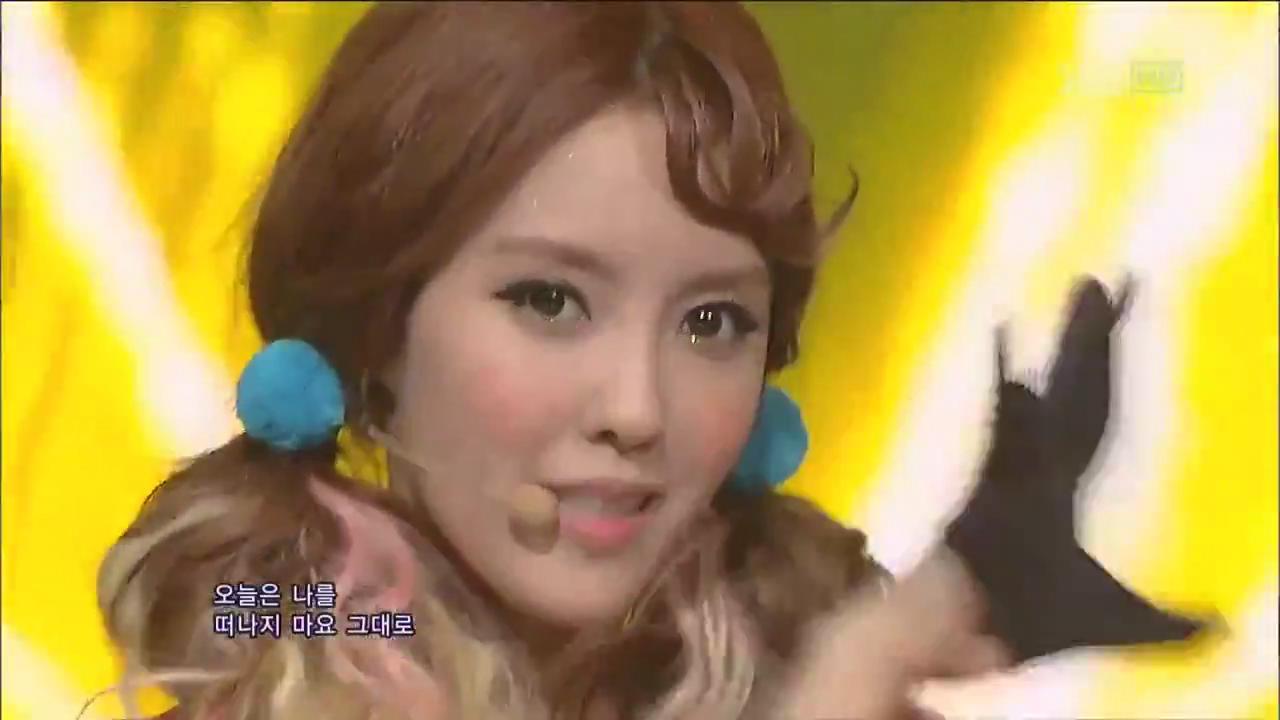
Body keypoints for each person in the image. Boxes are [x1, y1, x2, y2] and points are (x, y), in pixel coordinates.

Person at [94, 4, 1206, 719]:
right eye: (548, 300)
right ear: (374, 329)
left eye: (711, 322)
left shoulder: (795, 637)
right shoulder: (285, 624)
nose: (637, 408)